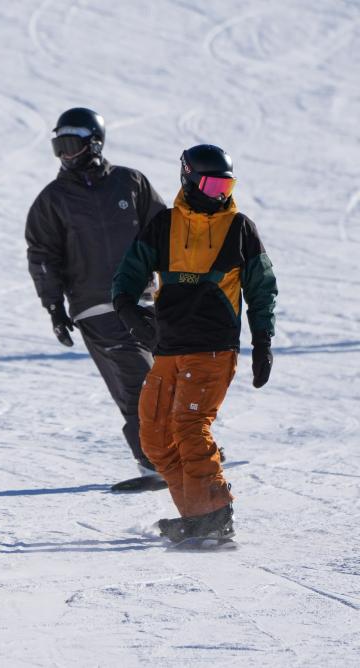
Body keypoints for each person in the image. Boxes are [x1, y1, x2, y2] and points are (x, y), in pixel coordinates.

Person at [111, 144, 277, 541]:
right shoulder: (164, 225)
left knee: (189, 425)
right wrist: (127, 307)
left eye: (226, 187)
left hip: (213, 348)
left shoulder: (239, 228)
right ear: (189, 179)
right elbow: (129, 272)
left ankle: (215, 516)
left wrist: (262, 341)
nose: (220, 194)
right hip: (168, 346)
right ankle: (196, 518)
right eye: (212, 185)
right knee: (155, 437)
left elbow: (262, 289)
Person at [25, 107, 167, 478]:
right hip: (97, 307)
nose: (65, 155)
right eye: (59, 147)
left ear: (95, 143)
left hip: (143, 300)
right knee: (139, 380)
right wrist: (54, 307)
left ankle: (189, 451)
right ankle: (153, 460)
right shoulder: (52, 200)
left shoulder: (130, 183)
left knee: (173, 376)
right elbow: (43, 257)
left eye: (71, 145)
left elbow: (164, 233)